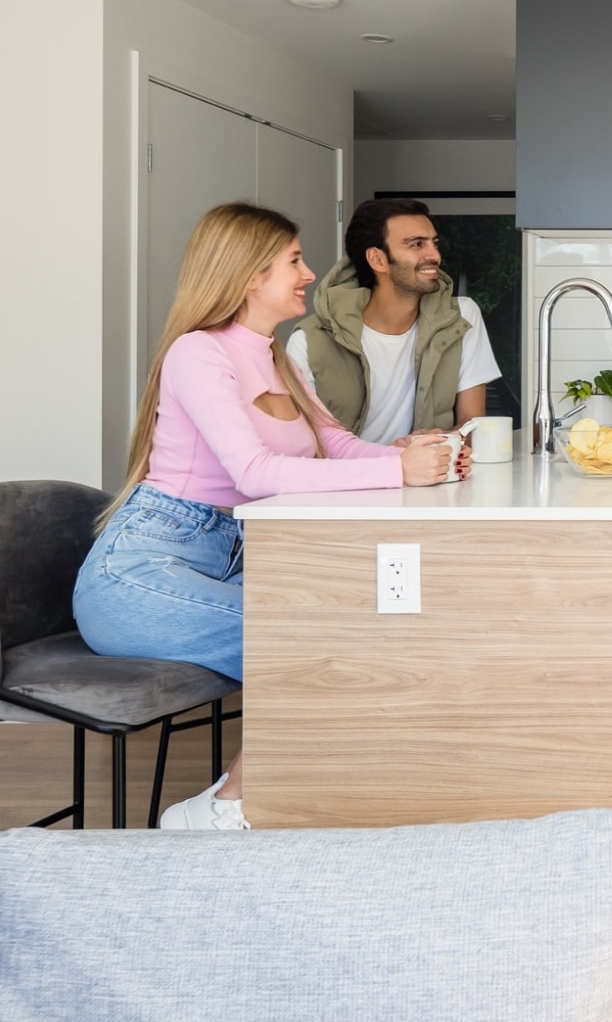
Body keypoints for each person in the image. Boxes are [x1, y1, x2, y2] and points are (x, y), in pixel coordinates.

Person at [74, 202, 457, 830]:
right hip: (143, 572)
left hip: (229, 559)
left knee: (370, 628)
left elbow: (332, 442)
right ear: (250, 275)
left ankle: (304, 803)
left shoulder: (272, 352)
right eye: (294, 261)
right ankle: (223, 812)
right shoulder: (198, 354)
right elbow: (254, 473)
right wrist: (396, 472)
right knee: (318, 643)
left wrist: (407, 454)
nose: (309, 274)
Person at [286, 198, 501, 446]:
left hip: (432, 479)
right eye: (417, 244)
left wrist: (439, 441)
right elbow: (304, 448)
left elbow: (472, 424)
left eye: (434, 243)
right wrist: (391, 459)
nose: (435, 256)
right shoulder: (309, 342)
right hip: (349, 482)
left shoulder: (461, 317)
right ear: (377, 260)